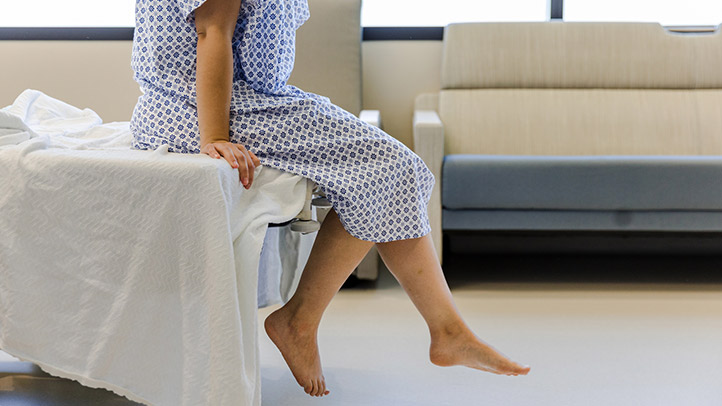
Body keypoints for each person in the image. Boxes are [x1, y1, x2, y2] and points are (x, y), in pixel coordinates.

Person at [130, 0, 531, 398]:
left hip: (240, 101)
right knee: (391, 168)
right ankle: (312, 323)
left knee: (391, 172)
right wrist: (215, 137)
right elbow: (211, 31)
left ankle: (442, 331)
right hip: (199, 109)